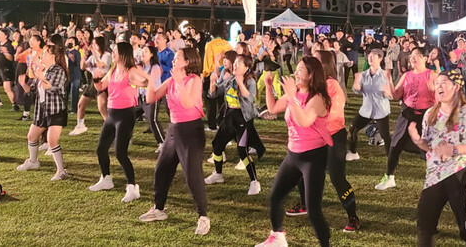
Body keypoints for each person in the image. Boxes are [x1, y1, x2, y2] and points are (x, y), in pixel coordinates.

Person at [407, 68, 466, 247]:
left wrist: (454, 149)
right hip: (434, 177)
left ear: (456, 86)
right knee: (425, 224)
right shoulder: (430, 114)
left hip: (459, 175)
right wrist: (417, 140)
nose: (438, 86)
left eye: (443, 82)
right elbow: (429, 146)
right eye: (437, 83)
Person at [255, 57, 332, 247]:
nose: (295, 73)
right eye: (296, 69)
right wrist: (268, 86)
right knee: (275, 197)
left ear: (311, 74)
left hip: (313, 157)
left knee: (313, 210)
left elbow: (304, 121)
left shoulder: (318, 99)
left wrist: (292, 97)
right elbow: (272, 109)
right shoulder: (295, 94)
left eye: (300, 70)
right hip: (294, 155)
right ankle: (278, 237)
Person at [138, 48, 211, 236]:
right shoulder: (171, 80)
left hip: (191, 132)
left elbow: (187, 102)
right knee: (162, 170)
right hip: (174, 130)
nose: (174, 60)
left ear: (187, 62)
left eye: (178, 57)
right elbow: (151, 97)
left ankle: (203, 217)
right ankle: (159, 209)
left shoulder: (194, 80)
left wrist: (178, 81)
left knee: (193, 176)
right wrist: (152, 78)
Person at [287, 50, 360, 232]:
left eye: (316, 61)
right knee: (301, 168)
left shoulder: (332, 85)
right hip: (313, 136)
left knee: (337, 177)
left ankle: (353, 216)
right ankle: (304, 204)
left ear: (324, 65)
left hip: (333, 135)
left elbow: (333, 111)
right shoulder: (309, 86)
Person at [88, 41, 148, 202]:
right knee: (101, 149)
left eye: (114, 51)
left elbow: (146, 83)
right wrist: (95, 79)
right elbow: (101, 87)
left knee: (120, 153)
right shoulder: (114, 69)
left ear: (122, 54)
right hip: (112, 114)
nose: (112, 53)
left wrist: (142, 81)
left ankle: (132, 187)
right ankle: (106, 178)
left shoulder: (132, 70)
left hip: (125, 115)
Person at [377, 47, 437, 191]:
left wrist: (434, 91)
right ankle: (389, 177)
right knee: (395, 145)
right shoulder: (407, 75)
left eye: (416, 55)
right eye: (411, 56)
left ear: (425, 58)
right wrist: (389, 81)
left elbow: (442, 96)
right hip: (407, 113)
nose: (413, 58)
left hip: (425, 116)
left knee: (429, 149)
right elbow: (396, 95)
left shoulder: (432, 75)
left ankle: (435, 180)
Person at [204, 52, 262, 196]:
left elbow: (250, 99)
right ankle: (218, 174)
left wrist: (241, 82)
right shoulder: (230, 80)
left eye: (238, 64)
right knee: (217, 145)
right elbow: (214, 93)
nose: (234, 66)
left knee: (242, 151)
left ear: (247, 67)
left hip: (243, 119)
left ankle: (254, 182)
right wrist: (212, 84)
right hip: (229, 117)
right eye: (234, 63)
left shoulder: (250, 81)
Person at [15, 44, 70, 180]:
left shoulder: (58, 71)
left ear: (53, 57)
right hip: (42, 110)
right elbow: (31, 90)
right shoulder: (44, 70)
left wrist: (41, 75)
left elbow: (51, 87)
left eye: (45, 53)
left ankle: (61, 171)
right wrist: (24, 84)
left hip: (55, 110)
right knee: (31, 137)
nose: (42, 56)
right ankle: (33, 161)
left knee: (52, 141)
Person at [346, 48, 392, 161]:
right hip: (366, 109)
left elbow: (391, 95)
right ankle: (353, 152)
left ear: (380, 58)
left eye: (374, 56)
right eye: (369, 56)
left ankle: (391, 158)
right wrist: (356, 85)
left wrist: (387, 92)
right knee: (352, 130)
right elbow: (357, 90)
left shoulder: (385, 75)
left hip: (381, 111)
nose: (370, 58)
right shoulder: (363, 75)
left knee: (386, 136)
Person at [70, 36, 111, 136]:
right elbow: (83, 67)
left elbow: (102, 66)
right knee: (81, 104)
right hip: (93, 82)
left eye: (94, 44)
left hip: (102, 82)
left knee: (102, 108)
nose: (92, 46)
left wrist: (94, 54)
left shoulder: (107, 55)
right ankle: (80, 126)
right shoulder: (93, 57)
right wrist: (83, 58)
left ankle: (111, 129)